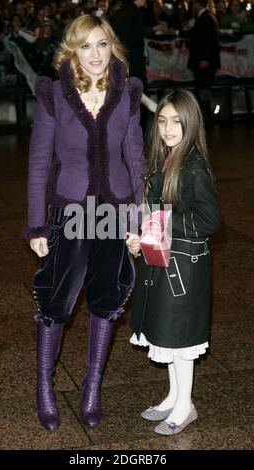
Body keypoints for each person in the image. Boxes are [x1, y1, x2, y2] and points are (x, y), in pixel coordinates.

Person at [23, 14, 145, 431]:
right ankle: (45, 386)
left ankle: (92, 387)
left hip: (113, 209)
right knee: (57, 301)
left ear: (113, 47)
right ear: (72, 49)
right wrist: (37, 225)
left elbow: (136, 159)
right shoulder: (54, 94)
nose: (96, 54)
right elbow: (39, 163)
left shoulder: (127, 93)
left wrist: (137, 218)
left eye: (103, 44)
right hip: (70, 209)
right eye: (86, 45)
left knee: (107, 301)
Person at [127, 89, 221, 435]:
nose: (168, 129)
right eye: (163, 121)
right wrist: (146, 233)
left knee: (181, 340)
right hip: (165, 259)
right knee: (167, 334)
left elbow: (210, 220)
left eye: (177, 122)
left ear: (191, 123)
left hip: (185, 266)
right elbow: (157, 216)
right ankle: (173, 395)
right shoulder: (166, 159)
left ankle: (186, 404)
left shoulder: (194, 166)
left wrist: (160, 219)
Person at [187, 0, 220, 122]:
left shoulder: (205, 19)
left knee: (203, 89)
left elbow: (209, 41)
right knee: (202, 89)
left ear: (197, 4)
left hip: (204, 62)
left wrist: (205, 58)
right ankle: (203, 117)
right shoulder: (205, 18)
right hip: (203, 61)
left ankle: (204, 118)